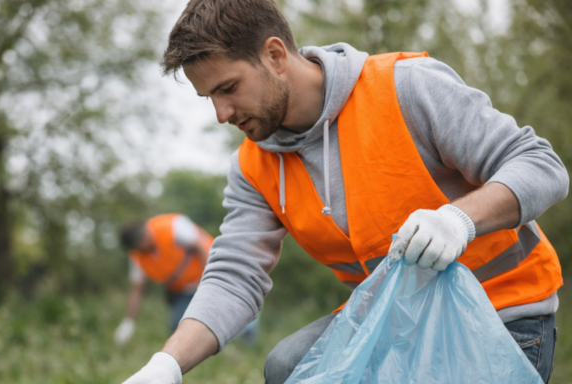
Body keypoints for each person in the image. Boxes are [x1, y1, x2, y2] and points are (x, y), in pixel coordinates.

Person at [122, 0, 567, 383]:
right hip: (392, 323)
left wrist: (458, 219)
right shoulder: (252, 166)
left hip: (500, 313)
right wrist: (166, 366)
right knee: (287, 366)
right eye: (209, 98)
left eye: (228, 88)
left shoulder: (406, 87)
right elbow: (233, 276)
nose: (222, 113)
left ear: (275, 55)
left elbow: (541, 165)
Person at [114, 214, 258, 346]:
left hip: (213, 274)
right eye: (143, 241)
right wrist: (128, 322)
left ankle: (247, 340)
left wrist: (209, 282)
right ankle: (206, 351)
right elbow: (137, 289)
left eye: (146, 235)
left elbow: (200, 247)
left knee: (232, 311)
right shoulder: (137, 259)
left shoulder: (172, 226)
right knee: (178, 327)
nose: (149, 239)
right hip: (183, 290)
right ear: (136, 247)